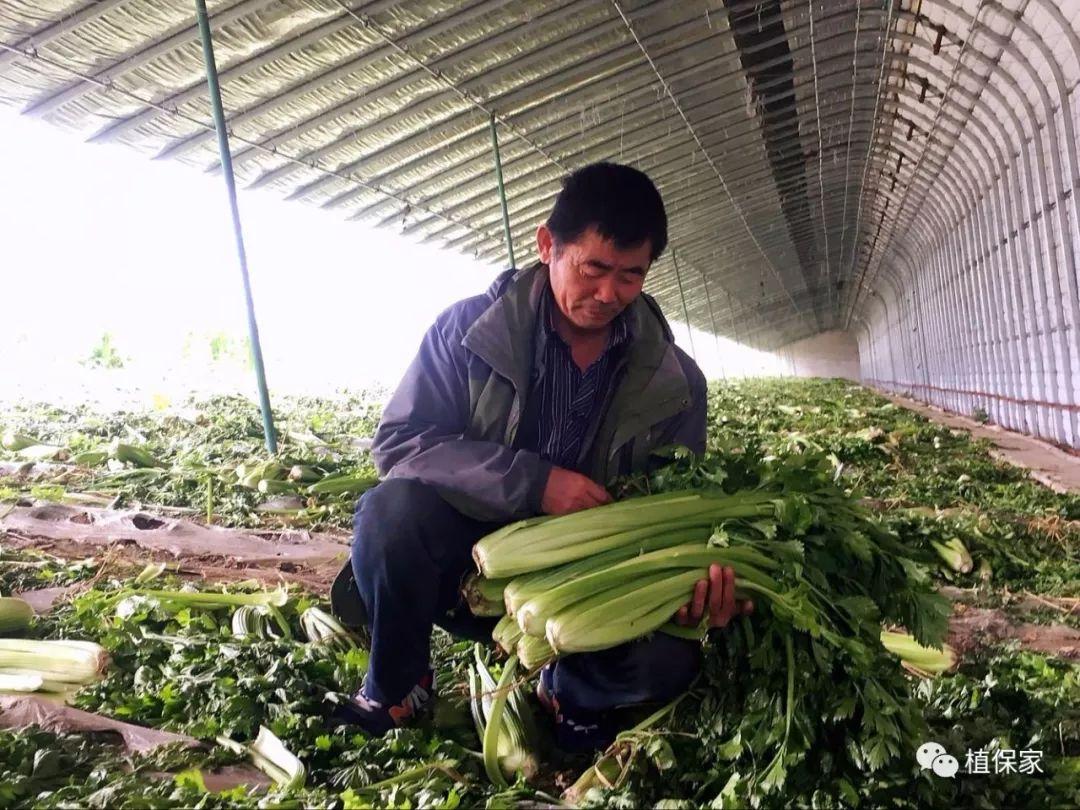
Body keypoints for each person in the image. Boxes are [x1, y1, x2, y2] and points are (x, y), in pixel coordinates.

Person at [330, 162, 752, 750]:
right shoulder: (466, 332)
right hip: (468, 566)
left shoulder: (675, 382)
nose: (609, 294)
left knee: (671, 663)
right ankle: (398, 685)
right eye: (594, 268)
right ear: (548, 244)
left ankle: (569, 688)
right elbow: (402, 442)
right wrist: (534, 483)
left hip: (591, 583)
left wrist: (692, 586)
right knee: (390, 515)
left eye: (631, 276)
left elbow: (678, 503)